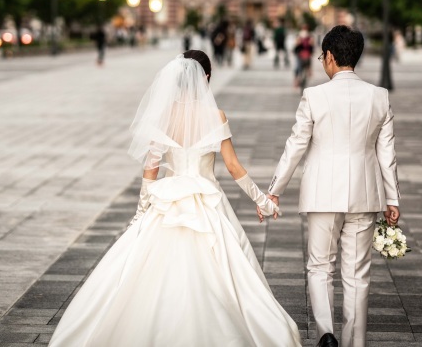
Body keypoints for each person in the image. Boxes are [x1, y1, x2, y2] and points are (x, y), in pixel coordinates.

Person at [48, 51, 301, 347]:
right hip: (206, 201)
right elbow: (233, 167)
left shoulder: (165, 116)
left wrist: (142, 211)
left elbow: (150, 170)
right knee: (228, 270)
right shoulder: (215, 116)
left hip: (168, 200)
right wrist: (262, 200)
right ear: (205, 77)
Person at [266, 25, 401, 347]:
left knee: (319, 266)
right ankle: (355, 342)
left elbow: (296, 145)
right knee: (357, 275)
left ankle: (326, 333)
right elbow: (388, 154)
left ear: (328, 56)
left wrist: (274, 189)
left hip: (322, 192)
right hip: (365, 193)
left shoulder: (314, 96)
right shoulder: (379, 97)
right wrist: (393, 198)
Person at [293, 25, 314, 89]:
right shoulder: (310, 36)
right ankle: (308, 71)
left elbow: (296, 47)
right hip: (305, 55)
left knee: (298, 68)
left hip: (301, 55)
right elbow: (312, 47)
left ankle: (297, 80)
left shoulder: (299, 36)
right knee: (300, 66)